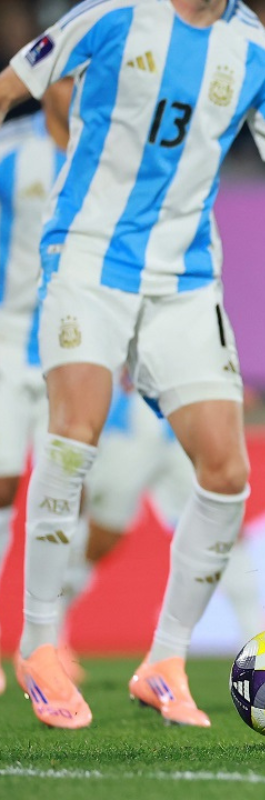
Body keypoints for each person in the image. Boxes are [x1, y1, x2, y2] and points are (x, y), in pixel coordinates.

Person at [0, 0, 265, 730]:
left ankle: (164, 661)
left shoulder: (253, 51)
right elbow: (12, 87)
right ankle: (40, 644)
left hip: (184, 281)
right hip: (87, 258)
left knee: (227, 472)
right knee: (74, 434)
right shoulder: (112, 16)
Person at [58, 378, 265, 668]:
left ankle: (257, 644)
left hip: (187, 422)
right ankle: (49, 636)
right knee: (100, 540)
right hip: (130, 423)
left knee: (223, 526)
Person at [0, 105, 66, 698]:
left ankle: (46, 644)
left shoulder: (111, 148)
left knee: (63, 489)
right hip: (4, 336)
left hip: (70, 345)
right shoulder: (11, 150)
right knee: (1, 485)